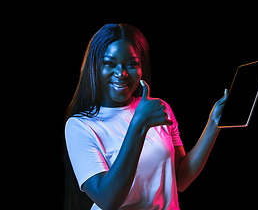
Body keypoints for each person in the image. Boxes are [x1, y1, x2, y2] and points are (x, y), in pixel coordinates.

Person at [64, 23, 228, 210]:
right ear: (95, 67)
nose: (121, 73)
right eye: (109, 63)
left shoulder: (158, 108)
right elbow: (107, 200)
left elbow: (181, 179)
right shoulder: (80, 125)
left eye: (131, 64)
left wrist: (214, 123)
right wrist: (139, 123)